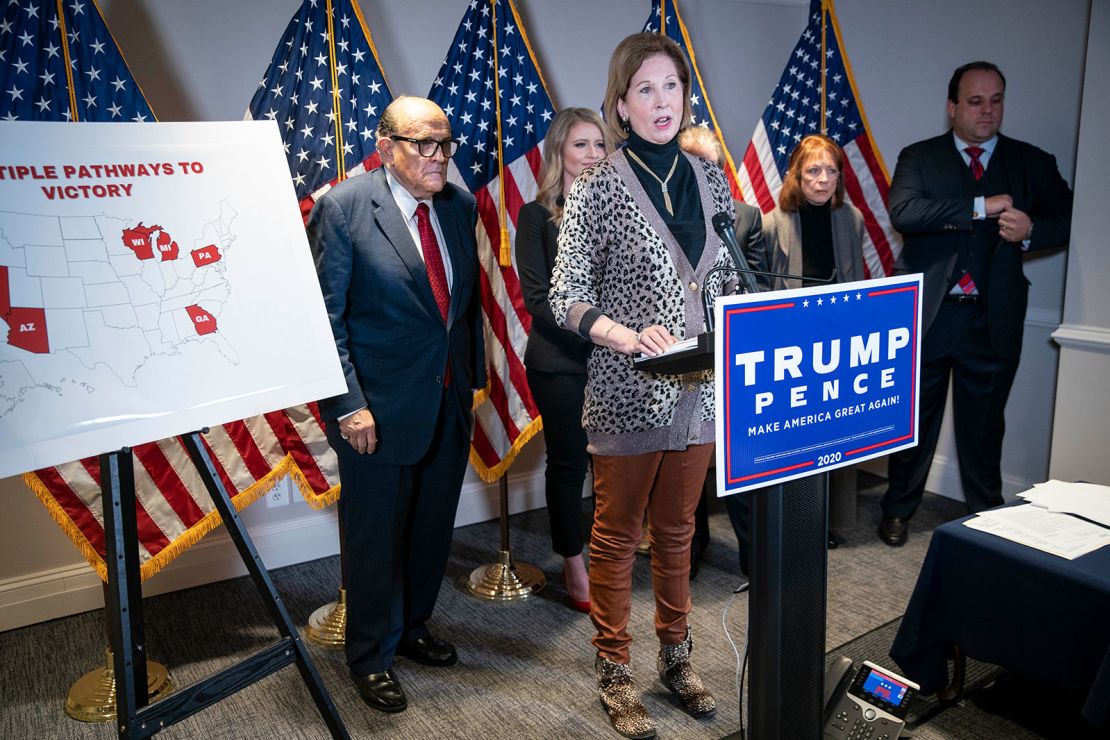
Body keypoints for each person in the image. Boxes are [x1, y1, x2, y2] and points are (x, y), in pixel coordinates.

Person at [550, 32, 735, 739]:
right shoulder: (597, 186)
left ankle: (676, 659)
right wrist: (626, 336)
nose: (663, 101)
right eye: (646, 89)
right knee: (618, 536)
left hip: (702, 391)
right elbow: (564, 295)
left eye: (673, 87)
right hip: (628, 391)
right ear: (622, 105)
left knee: (680, 531)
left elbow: (724, 270)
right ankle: (614, 669)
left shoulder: (711, 177)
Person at [307, 96, 485, 714]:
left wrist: (473, 381)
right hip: (374, 416)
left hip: (447, 401)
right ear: (386, 149)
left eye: (446, 143)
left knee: (431, 529)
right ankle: (371, 655)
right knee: (375, 540)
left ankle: (411, 628)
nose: (440, 158)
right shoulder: (344, 208)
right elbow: (324, 322)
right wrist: (348, 405)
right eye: (424, 145)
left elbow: (465, 308)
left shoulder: (459, 208)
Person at [877, 61, 1073, 546]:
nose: (987, 111)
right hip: (929, 317)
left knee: (984, 428)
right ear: (952, 107)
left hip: (993, 317)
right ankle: (899, 508)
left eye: (996, 100)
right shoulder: (920, 157)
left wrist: (1031, 233)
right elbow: (904, 211)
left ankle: (986, 518)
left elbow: (1068, 218)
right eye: (975, 101)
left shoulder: (1032, 162)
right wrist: (976, 207)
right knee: (913, 423)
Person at [517, 107, 613, 613]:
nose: (593, 155)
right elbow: (539, 299)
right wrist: (604, 331)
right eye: (581, 145)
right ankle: (574, 566)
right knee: (571, 464)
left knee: (612, 466)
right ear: (559, 153)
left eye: (600, 145)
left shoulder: (616, 212)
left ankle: (606, 557)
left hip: (616, 361)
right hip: (561, 362)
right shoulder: (536, 217)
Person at [674, 125, 766, 580]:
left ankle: (754, 561)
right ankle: (690, 554)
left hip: (732, 358)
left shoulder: (746, 216)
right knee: (686, 464)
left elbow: (760, 286)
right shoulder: (658, 215)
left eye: (708, 164)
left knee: (739, 464)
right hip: (680, 358)